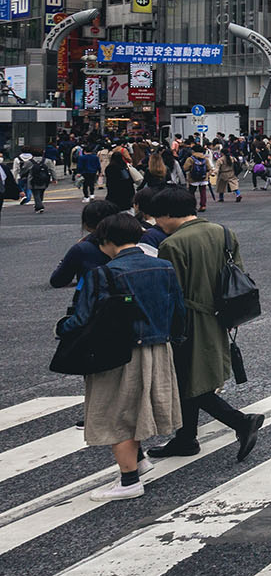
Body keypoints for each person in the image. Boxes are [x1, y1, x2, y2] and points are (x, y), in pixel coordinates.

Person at [57, 213, 186, 500]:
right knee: (137, 409)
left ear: (106, 241)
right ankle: (139, 460)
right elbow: (179, 310)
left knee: (116, 413)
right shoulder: (164, 266)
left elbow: (82, 318)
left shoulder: (102, 273)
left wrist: (61, 328)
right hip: (158, 348)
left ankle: (129, 481)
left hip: (117, 352)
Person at [146, 186, 264, 462]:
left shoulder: (172, 245)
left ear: (167, 215)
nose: (156, 224)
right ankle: (186, 438)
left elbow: (169, 292)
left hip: (187, 320)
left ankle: (240, 422)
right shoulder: (223, 232)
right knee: (192, 378)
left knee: (189, 379)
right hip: (220, 315)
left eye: (157, 218)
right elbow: (238, 273)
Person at [50, 199, 123, 288]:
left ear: (86, 225)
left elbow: (58, 280)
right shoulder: (132, 241)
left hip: (95, 298)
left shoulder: (82, 248)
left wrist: (64, 259)